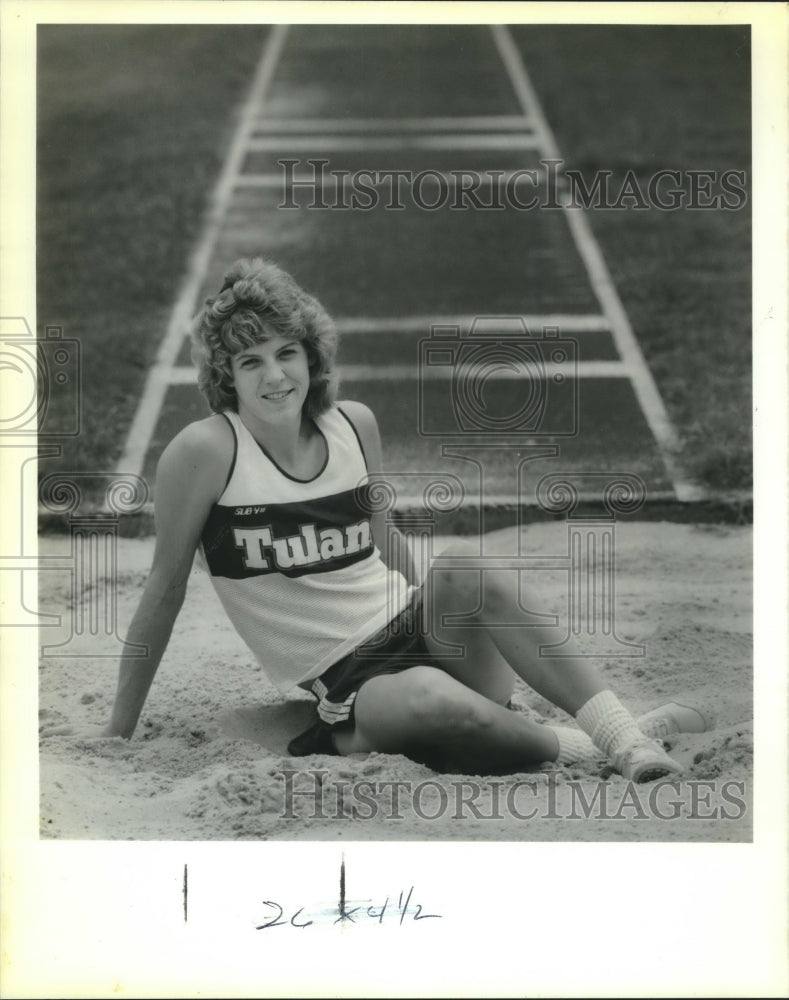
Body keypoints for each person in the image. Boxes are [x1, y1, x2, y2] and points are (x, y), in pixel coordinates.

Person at [53, 257, 712, 781]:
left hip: (419, 633)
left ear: (311, 355)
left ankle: (624, 738)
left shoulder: (353, 426)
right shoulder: (204, 454)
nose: (273, 376)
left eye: (285, 352)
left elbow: (386, 543)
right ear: (225, 376)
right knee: (426, 696)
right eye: (249, 362)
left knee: (464, 568)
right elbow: (164, 590)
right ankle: (597, 746)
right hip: (352, 687)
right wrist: (119, 729)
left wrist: (441, 615)